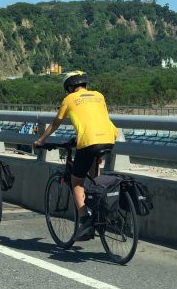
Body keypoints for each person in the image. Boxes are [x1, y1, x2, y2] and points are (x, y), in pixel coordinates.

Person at [34, 71, 117, 241]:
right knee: (94, 176)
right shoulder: (99, 96)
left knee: (76, 181)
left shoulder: (69, 99)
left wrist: (41, 140)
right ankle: (97, 208)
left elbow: (56, 122)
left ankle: (86, 221)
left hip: (88, 141)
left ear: (70, 87)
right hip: (109, 139)